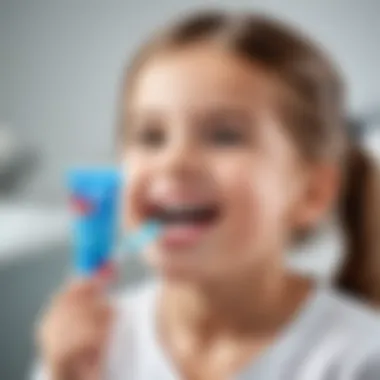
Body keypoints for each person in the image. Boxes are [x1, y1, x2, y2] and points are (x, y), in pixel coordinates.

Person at [34, 10, 380, 380]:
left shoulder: (358, 358)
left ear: (311, 193)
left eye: (224, 136)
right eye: (151, 136)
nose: (174, 161)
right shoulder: (92, 343)